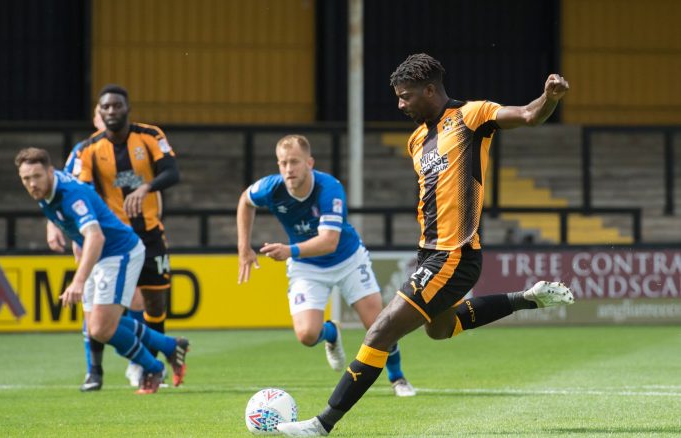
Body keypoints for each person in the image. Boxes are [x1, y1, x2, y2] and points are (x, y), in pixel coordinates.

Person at [277, 53, 574, 436]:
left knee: (380, 332)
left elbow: (529, 114)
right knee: (439, 329)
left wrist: (548, 98)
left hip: (455, 253)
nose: (400, 104)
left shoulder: (472, 115)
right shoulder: (417, 139)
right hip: (429, 253)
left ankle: (322, 425)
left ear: (430, 90)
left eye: (406, 96)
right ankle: (528, 298)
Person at [237, 134, 416, 397]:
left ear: (309, 162)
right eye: (283, 163)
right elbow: (245, 200)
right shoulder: (271, 188)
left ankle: (397, 377)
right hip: (306, 267)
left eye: (295, 162)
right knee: (307, 335)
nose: (288, 169)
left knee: (378, 325)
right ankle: (331, 332)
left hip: (347, 259)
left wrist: (289, 250)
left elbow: (329, 242)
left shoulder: (328, 188)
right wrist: (244, 247)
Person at [15, 147, 188, 394]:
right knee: (98, 324)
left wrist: (78, 281)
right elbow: (75, 229)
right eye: (26, 179)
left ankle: (152, 367)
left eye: (36, 176)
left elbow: (95, 237)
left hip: (118, 253)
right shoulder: (45, 192)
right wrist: (54, 226)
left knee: (100, 329)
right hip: (98, 255)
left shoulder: (70, 195)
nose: (32, 183)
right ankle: (170, 346)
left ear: (50, 172)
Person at [73, 85, 181, 390]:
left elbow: (173, 172)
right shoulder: (89, 150)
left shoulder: (149, 136)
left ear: (127, 108)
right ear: (99, 111)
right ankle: (95, 371)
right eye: (105, 107)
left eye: (116, 106)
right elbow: (81, 193)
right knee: (97, 306)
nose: (111, 112)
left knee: (155, 302)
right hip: (113, 242)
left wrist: (146, 188)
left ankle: (148, 366)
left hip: (149, 234)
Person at [46, 103, 150, 390]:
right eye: (101, 112)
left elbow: (144, 183)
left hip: (121, 238)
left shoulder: (132, 150)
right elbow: (56, 189)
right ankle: (94, 370)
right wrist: (53, 224)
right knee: (90, 303)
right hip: (89, 237)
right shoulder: (83, 152)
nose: (107, 117)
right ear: (95, 118)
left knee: (136, 300)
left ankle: (137, 363)